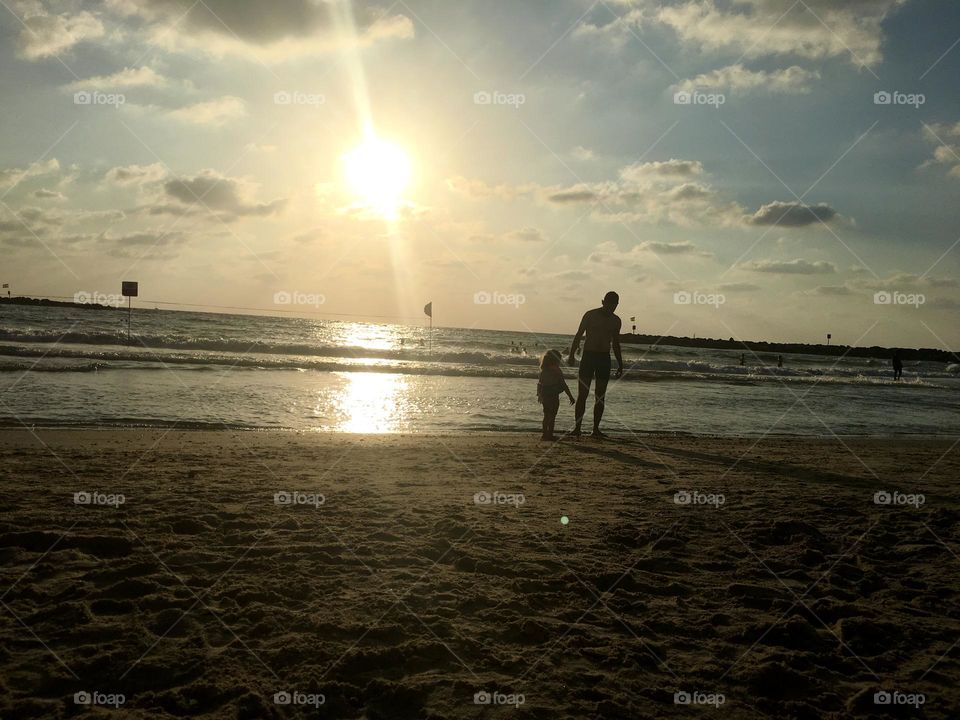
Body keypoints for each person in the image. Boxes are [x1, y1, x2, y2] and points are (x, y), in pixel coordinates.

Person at [568, 291, 624, 439]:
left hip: (604, 358)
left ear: (617, 305)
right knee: (583, 395)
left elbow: (616, 343)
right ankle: (577, 428)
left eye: (614, 306)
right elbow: (579, 335)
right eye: (609, 304)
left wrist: (620, 364)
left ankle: (595, 429)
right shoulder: (590, 315)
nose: (611, 308)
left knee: (600, 396)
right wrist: (572, 354)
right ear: (603, 302)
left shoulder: (616, 321)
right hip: (588, 356)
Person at [537, 349, 574, 441]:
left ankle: (544, 434)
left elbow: (540, 384)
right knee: (552, 415)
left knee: (546, 415)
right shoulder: (557, 370)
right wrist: (570, 396)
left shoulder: (543, 370)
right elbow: (563, 384)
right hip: (553, 394)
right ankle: (550, 434)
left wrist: (539, 394)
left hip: (544, 394)